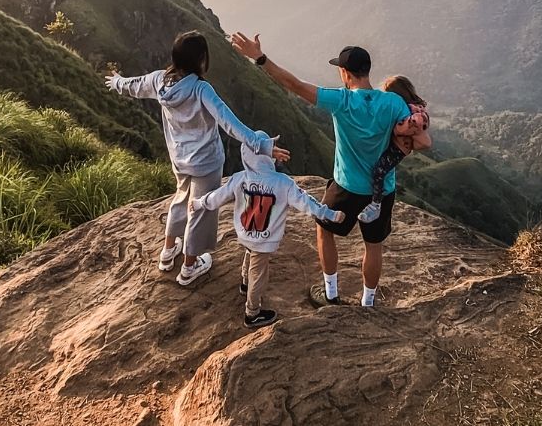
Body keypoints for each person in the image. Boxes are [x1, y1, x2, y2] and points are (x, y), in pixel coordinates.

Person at [230, 34, 409, 308]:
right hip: (382, 189)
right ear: (367, 71)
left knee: (324, 231)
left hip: (347, 186)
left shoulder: (342, 101)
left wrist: (260, 58)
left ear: (344, 72)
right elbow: (414, 135)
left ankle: (331, 294)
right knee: (374, 246)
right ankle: (368, 303)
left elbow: (294, 85)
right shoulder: (393, 103)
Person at [105, 30, 288, 287]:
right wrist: (263, 146)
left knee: (180, 198)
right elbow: (229, 123)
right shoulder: (202, 90)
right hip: (206, 162)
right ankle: (190, 266)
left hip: (178, 157)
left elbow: (134, 85)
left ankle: (168, 252)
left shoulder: (160, 81)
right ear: (201, 59)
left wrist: (117, 82)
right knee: (200, 209)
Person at [190, 140, 345, 329]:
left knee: (249, 253)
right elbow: (307, 204)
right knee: (259, 272)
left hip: (245, 233)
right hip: (264, 240)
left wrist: (199, 203)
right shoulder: (283, 183)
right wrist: (329, 214)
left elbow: (218, 197)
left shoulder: (240, 178)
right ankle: (252, 313)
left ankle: (245, 284)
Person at [357, 75, 431, 224]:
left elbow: (403, 131)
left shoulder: (413, 112)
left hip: (397, 150)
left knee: (379, 171)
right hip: (398, 148)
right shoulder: (414, 108)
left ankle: (375, 204)